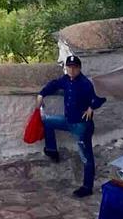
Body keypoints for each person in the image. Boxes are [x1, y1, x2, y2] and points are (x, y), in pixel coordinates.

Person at [37, 56, 106, 197]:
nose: (72, 70)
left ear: (79, 68)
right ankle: (51, 150)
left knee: (86, 157)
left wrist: (92, 107)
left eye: (74, 67)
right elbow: (54, 84)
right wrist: (41, 94)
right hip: (68, 121)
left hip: (81, 126)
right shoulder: (66, 80)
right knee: (47, 121)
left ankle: (87, 187)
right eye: (69, 67)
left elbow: (101, 96)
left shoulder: (85, 83)